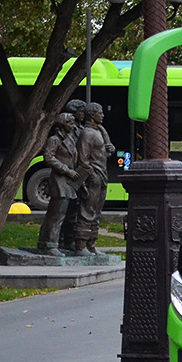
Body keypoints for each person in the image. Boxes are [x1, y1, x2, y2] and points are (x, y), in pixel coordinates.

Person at [36, 111, 80, 255]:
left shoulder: (70, 139)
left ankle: (59, 242)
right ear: (62, 124)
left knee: (67, 215)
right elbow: (48, 157)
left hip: (70, 182)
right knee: (56, 215)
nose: (72, 125)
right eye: (69, 122)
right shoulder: (54, 139)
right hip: (60, 181)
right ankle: (50, 245)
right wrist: (66, 170)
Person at [72, 102, 112, 254]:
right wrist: (91, 175)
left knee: (96, 211)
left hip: (101, 174)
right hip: (93, 176)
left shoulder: (99, 131)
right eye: (100, 113)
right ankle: (80, 246)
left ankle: (91, 244)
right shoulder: (87, 133)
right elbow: (82, 158)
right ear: (92, 115)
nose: (102, 115)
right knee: (87, 210)